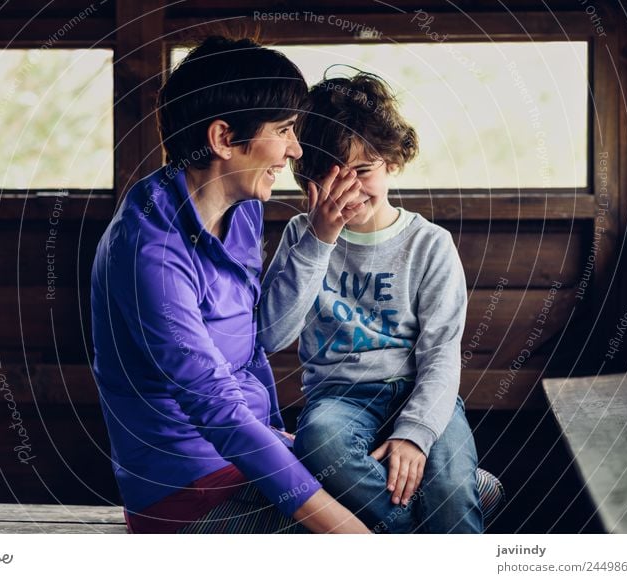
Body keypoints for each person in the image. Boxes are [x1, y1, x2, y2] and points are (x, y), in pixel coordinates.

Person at [90, 36, 370, 534]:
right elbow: (213, 402)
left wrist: (283, 441)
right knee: (416, 517)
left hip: (252, 454)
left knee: (459, 487)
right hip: (186, 491)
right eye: (283, 129)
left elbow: (252, 342)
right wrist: (346, 530)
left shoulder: (241, 210)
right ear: (222, 138)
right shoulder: (147, 251)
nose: (295, 149)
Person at [258, 72, 483, 533]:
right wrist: (321, 241)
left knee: (451, 486)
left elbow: (441, 356)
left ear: (393, 163)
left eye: (363, 171)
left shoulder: (429, 244)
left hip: (417, 388)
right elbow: (270, 334)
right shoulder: (302, 236)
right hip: (338, 395)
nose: (350, 191)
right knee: (319, 446)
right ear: (306, 177)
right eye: (330, 175)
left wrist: (415, 435)